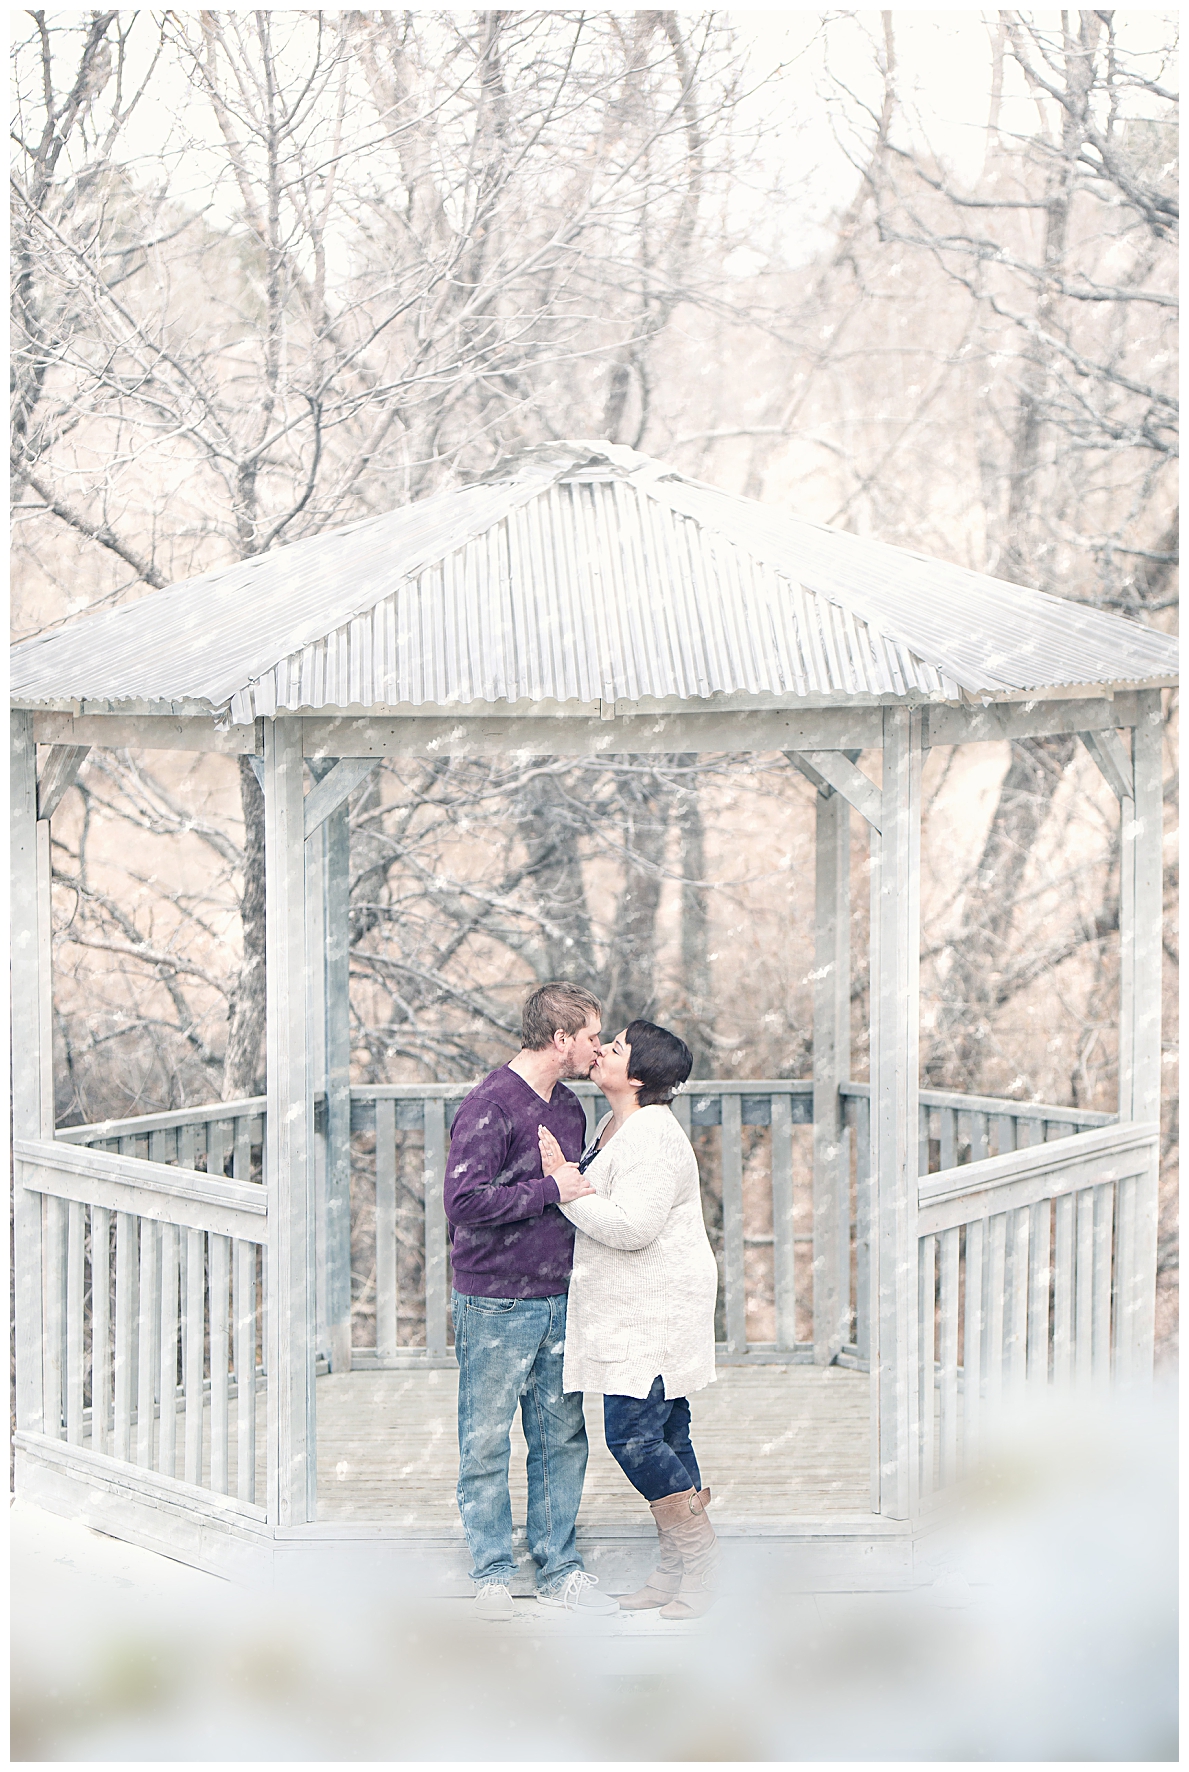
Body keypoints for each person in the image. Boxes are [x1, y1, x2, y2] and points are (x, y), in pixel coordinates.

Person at [443, 980, 619, 1622]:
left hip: (558, 1297)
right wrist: (547, 1189)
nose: (597, 1049)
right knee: (485, 1440)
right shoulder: (490, 1105)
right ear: (561, 1037)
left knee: (561, 1437)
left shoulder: (569, 1108)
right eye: (593, 1037)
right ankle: (491, 1572)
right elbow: (462, 1204)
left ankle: (559, 1567)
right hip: (494, 1302)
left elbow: (575, 1191)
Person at [537, 1018, 720, 1620]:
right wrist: (572, 1176)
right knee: (668, 1433)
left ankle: (701, 1563)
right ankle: (677, 1574)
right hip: (634, 1305)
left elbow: (631, 1228)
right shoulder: (621, 1124)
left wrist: (566, 1188)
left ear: (635, 1076)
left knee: (633, 1435)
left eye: (614, 1049)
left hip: (656, 1308)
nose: (602, 1052)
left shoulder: (652, 1137)